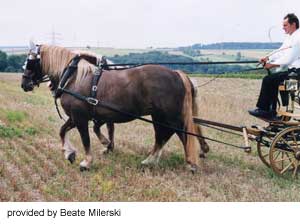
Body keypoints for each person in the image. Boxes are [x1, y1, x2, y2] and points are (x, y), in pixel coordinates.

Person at [249, 13, 300, 119]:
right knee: (271, 80)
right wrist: (268, 58)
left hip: (297, 77)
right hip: (293, 73)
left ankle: (266, 110)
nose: (283, 28)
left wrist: (271, 65)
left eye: (285, 25)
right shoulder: (290, 37)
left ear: (293, 24)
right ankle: (270, 111)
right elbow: (280, 52)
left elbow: (289, 58)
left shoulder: (298, 38)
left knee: (269, 80)